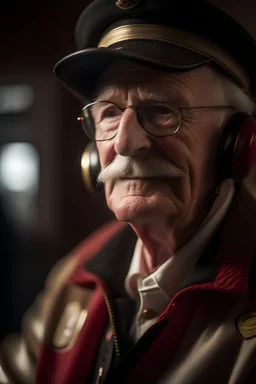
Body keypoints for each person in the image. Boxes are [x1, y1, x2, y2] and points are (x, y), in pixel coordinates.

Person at [1, 0, 256, 383]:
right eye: (108, 113)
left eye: (162, 110)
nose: (125, 142)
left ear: (237, 143)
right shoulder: (79, 272)